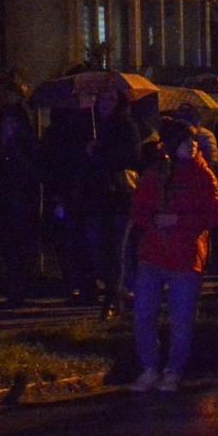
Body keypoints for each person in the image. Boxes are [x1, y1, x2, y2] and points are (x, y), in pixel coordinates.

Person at [128, 120, 218, 392]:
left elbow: (215, 214)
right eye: (186, 141)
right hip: (153, 255)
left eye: (194, 141)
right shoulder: (155, 175)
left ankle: (173, 370)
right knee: (144, 315)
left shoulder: (203, 175)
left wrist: (179, 221)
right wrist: (152, 220)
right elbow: (138, 210)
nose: (193, 145)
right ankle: (149, 367)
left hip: (185, 257)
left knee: (181, 320)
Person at [76, 89, 144, 318]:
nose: (106, 103)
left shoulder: (127, 126)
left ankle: (112, 299)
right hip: (96, 197)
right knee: (97, 247)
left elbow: (132, 156)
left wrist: (100, 152)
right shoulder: (89, 126)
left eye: (111, 98)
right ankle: (116, 291)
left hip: (120, 197)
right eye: (103, 98)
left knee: (116, 249)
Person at [0, 104, 42, 305]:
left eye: (13, 122)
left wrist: (15, 153)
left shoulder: (28, 144)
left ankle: (21, 289)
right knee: (6, 244)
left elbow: (35, 169)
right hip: (2, 201)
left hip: (23, 201)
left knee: (21, 246)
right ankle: (14, 287)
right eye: (6, 122)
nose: (9, 126)